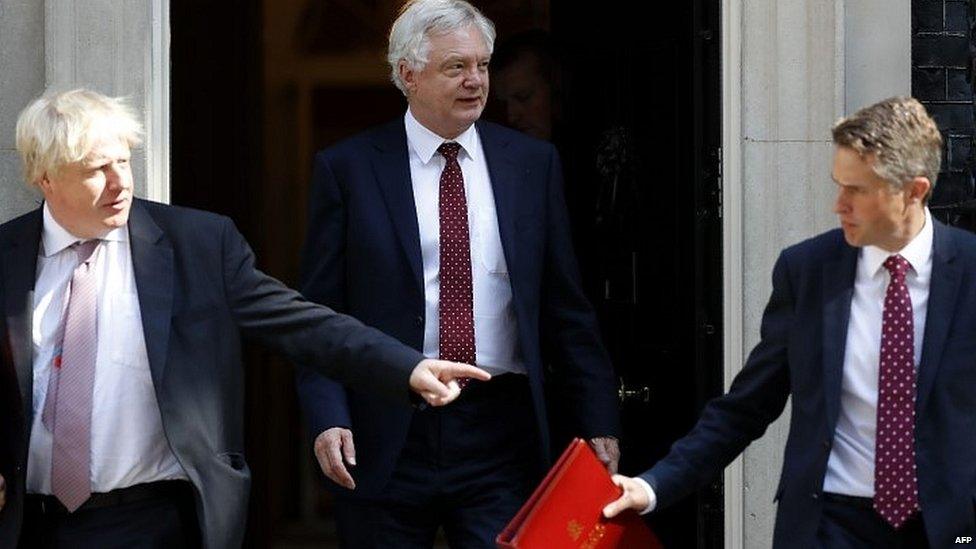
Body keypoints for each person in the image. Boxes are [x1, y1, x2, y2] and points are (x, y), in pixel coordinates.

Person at [0, 88, 488, 549]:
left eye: (124, 161)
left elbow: (302, 324)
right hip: (30, 527)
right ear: (46, 177)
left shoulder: (198, 244)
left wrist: (407, 367)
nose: (120, 182)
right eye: (96, 169)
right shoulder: (7, 258)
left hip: (156, 521)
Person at [294, 0, 621, 546]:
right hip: (386, 426)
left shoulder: (531, 164)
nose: (475, 81)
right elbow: (320, 315)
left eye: (483, 66)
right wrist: (328, 416)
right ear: (408, 74)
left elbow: (565, 306)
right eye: (456, 67)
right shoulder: (348, 168)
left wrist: (599, 420)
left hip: (501, 431)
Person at [603, 96, 976, 547]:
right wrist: (655, 484)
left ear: (914, 191)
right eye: (838, 185)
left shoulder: (970, 272)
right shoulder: (807, 271)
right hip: (831, 525)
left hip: (946, 528)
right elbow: (748, 403)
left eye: (856, 190)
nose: (839, 204)